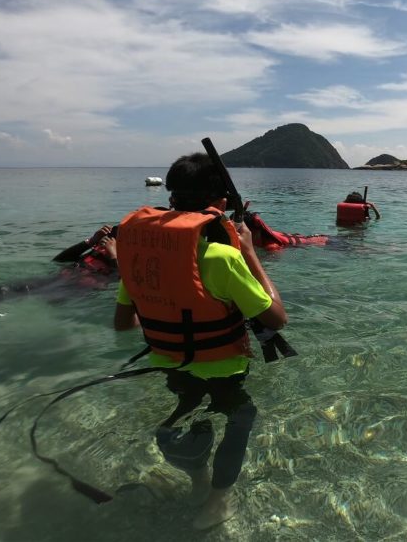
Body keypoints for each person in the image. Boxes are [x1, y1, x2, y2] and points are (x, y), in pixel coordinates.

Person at [113, 152, 287, 529]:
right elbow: (276, 318)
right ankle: (218, 500)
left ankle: (198, 482)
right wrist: (251, 253)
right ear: (221, 205)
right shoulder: (225, 257)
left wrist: (171, 316)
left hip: (170, 363)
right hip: (225, 366)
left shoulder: (139, 252)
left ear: (171, 198)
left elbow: (123, 323)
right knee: (241, 416)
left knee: (192, 414)